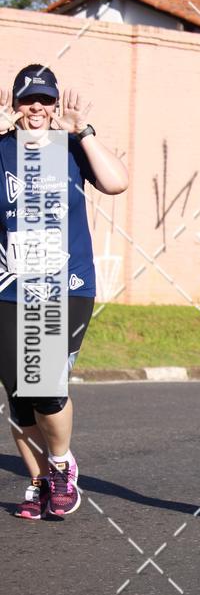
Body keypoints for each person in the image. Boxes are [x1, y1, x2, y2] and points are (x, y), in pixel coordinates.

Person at [0, 64, 128, 518]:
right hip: (11, 287)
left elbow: (117, 182)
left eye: (45, 100)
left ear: (56, 106)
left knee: (46, 383)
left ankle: (60, 464)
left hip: (66, 285)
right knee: (18, 399)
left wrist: (86, 132)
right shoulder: (1, 151)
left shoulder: (71, 148)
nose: (36, 108)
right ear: (14, 105)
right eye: (27, 100)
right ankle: (38, 483)